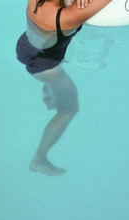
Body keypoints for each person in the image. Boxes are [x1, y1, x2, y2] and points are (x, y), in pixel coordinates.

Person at [16, 0, 112, 176]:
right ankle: (39, 159)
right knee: (69, 109)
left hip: (27, 45)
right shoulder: (66, 16)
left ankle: (49, 90)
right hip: (45, 64)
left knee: (53, 56)